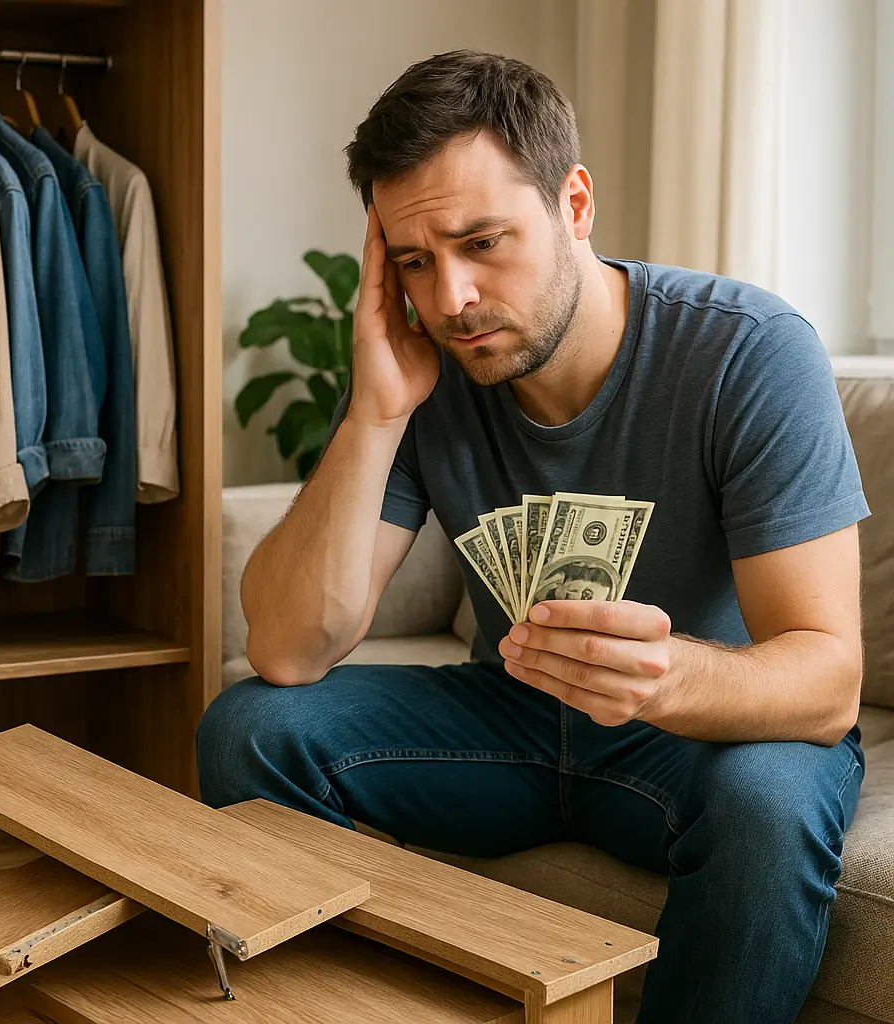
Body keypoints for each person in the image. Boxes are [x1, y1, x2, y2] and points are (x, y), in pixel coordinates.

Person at [198, 50, 868, 1024]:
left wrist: (667, 676)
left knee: (771, 799)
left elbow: (826, 678)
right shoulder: (428, 370)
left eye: (483, 243)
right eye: (416, 262)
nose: (453, 298)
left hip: (696, 732)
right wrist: (376, 413)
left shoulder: (746, 352)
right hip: (508, 721)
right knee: (250, 727)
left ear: (575, 205)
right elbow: (289, 648)